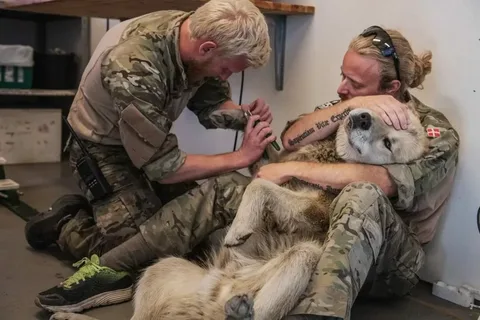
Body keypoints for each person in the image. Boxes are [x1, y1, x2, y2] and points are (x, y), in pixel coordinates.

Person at [34, 25, 460, 320]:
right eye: (341, 77)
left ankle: (322, 312)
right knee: (227, 191)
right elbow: (290, 141)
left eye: (355, 85)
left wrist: (286, 170)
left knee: (359, 196)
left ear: (391, 89)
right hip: (306, 229)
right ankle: (106, 268)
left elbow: (382, 184)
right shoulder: (346, 109)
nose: (342, 89)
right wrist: (347, 109)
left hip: (384, 259)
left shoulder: (431, 131)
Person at [27, 0, 276, 313]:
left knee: (187, 238)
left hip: (147, 146)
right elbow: (165, 169)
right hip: (100, 149)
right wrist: (240, 157)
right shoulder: (135, 65)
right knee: (138, 256)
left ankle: (106, 213)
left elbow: (208, 106)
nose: (226, 78)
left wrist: (241, 115)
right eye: (227, 69)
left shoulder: (197, 38)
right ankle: (68, 223)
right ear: (207, 49)